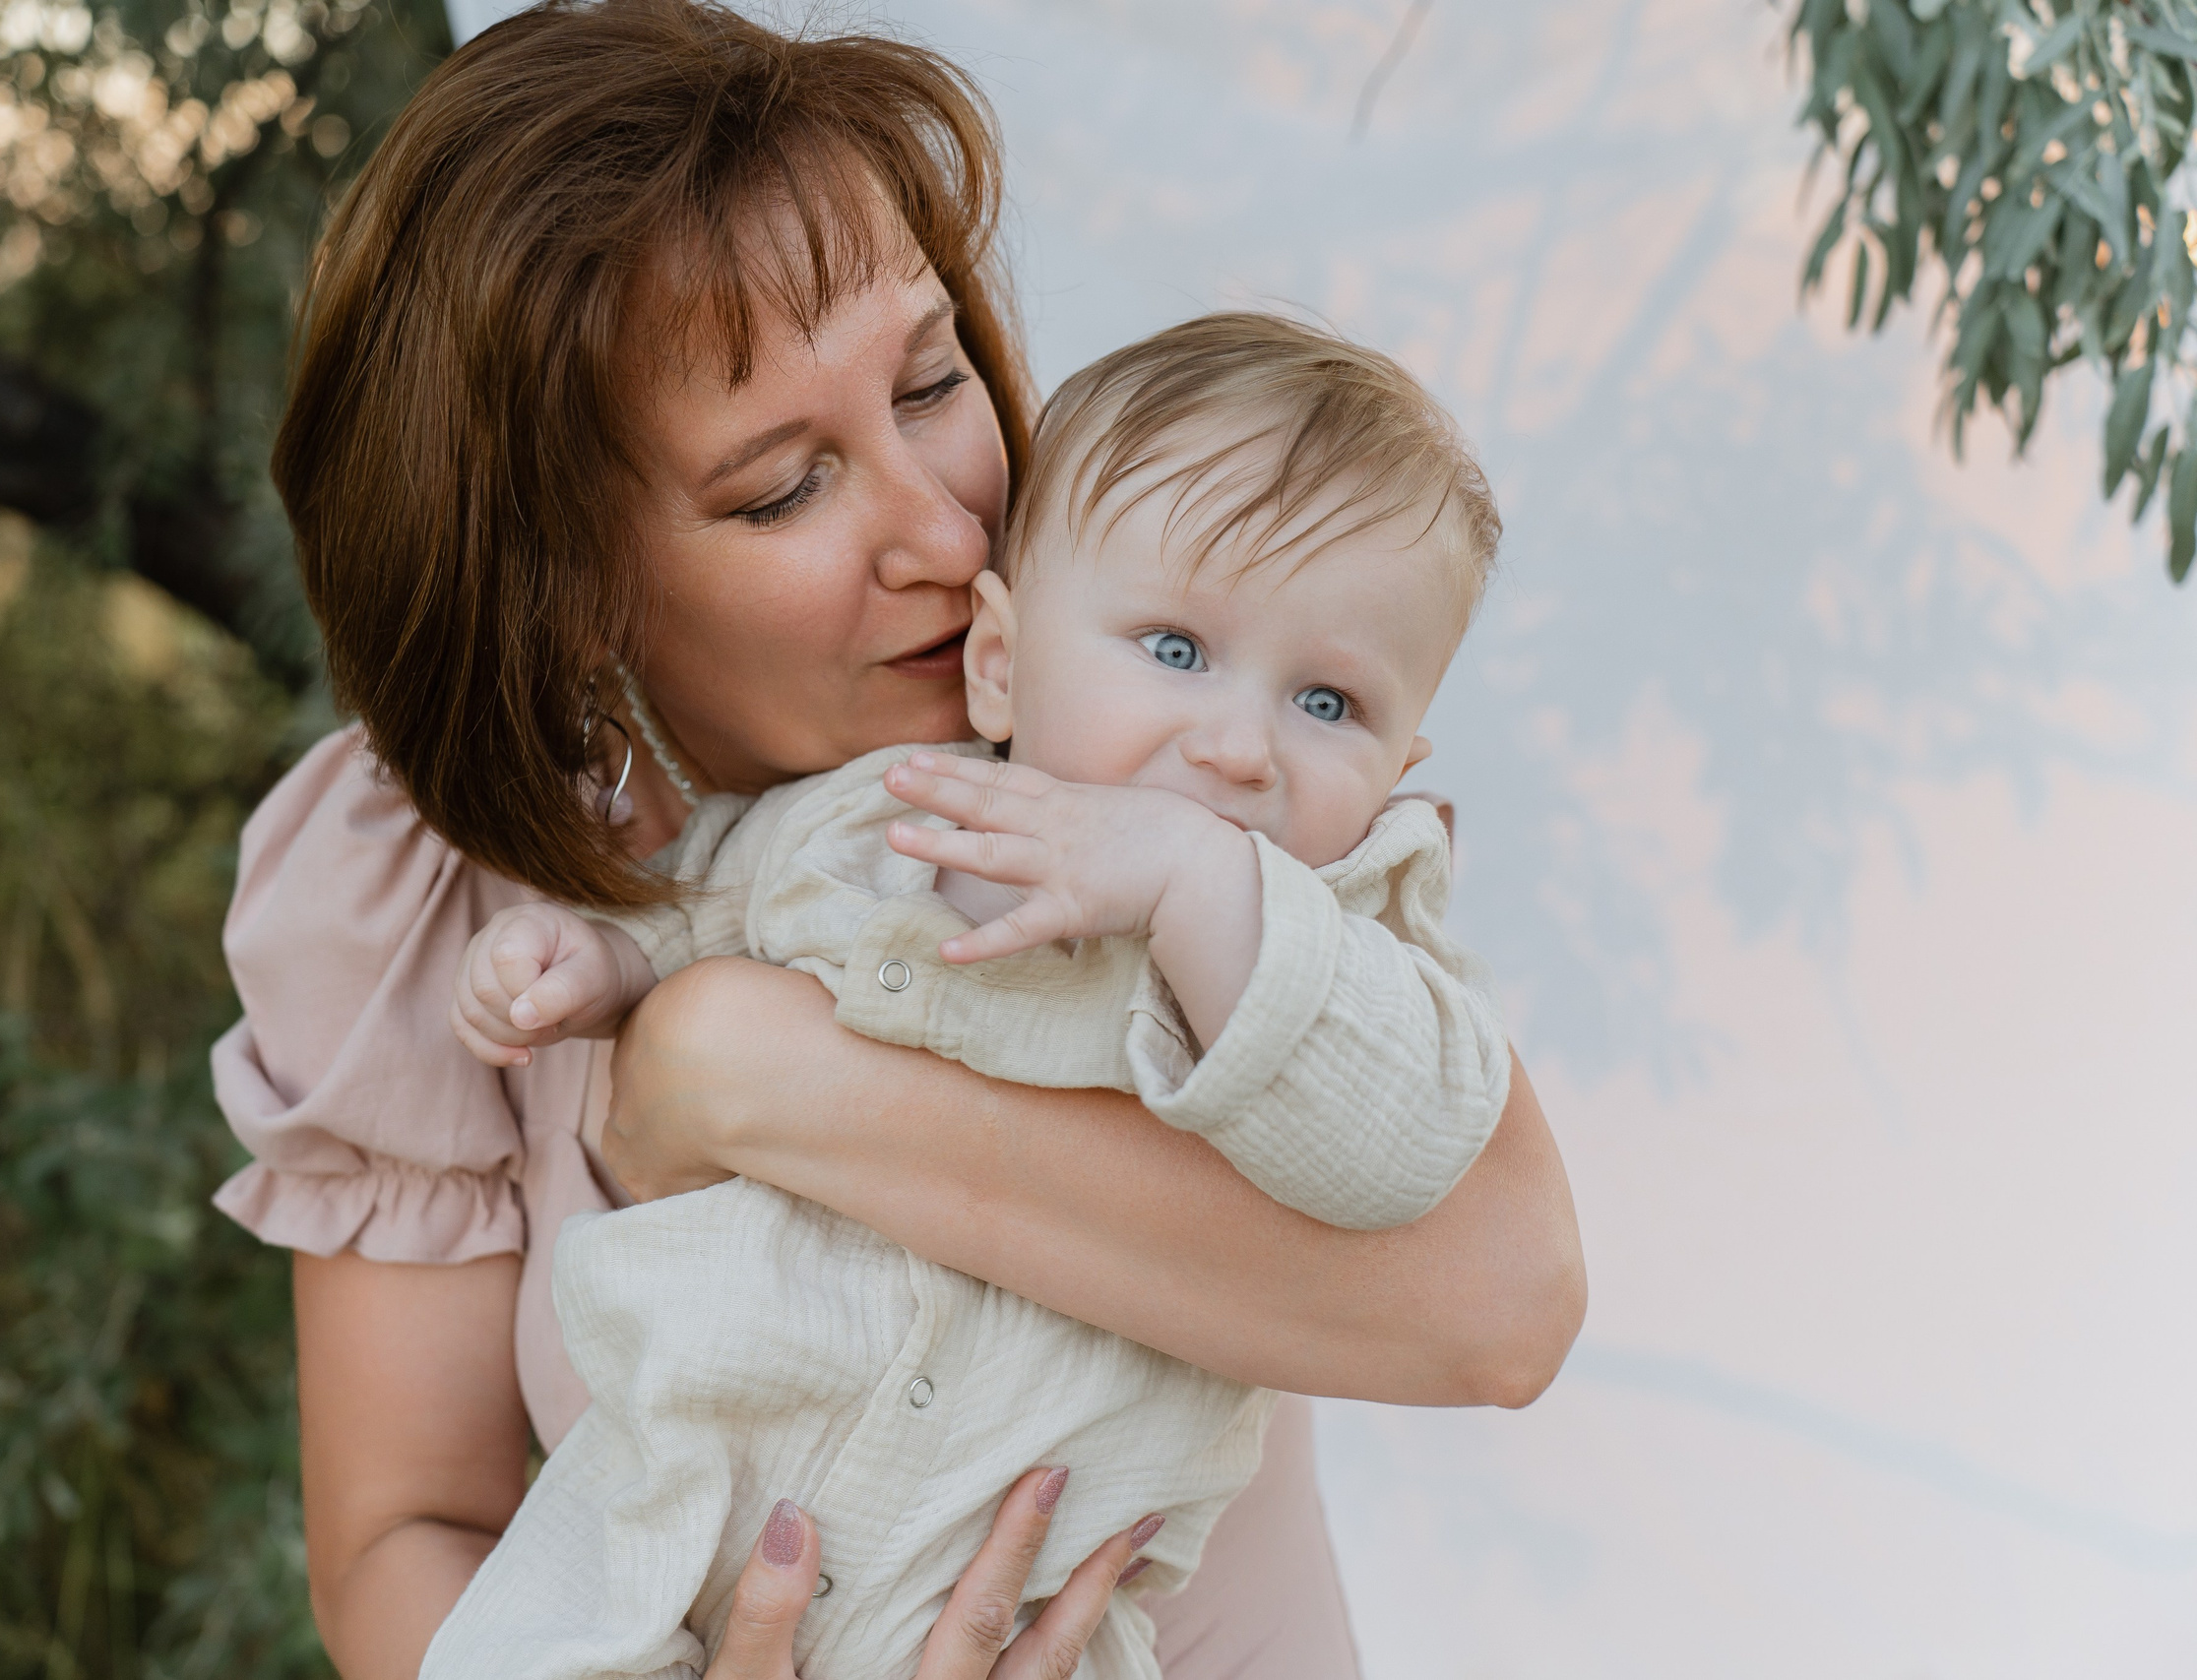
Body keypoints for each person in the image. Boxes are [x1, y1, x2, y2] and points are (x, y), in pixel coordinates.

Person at [214, 4, 1588, 1678]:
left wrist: (754, 1078)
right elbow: (398, 1537)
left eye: (934, 382)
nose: (948, 531)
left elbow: (1502, 1302)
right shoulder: (408, 901)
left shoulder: (1179, 743)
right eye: (785, 489)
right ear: (562, 591)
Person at [432, 312, 1514, 1680]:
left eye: (1331, 704)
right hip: (674, 1531)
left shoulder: (1343, 940)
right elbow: (724, 910)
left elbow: (1404, 1145)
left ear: (1406, 761)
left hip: (1039, 1612)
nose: (1240, 747)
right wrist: (601, 974)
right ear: (1000, 664)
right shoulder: (887, 817)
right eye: (1176, 652)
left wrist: (1193, 886)